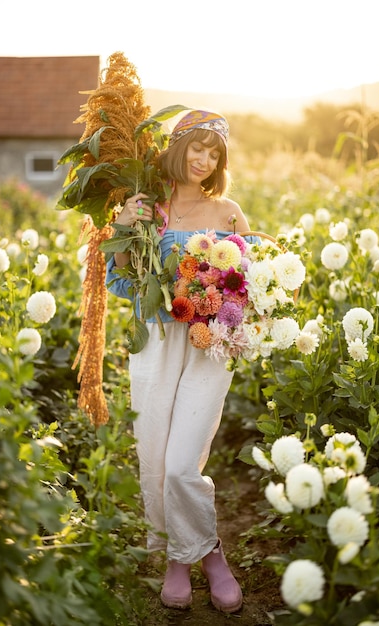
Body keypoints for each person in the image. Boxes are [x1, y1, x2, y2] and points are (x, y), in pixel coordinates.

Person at [106, 109, 253, 613]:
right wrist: (123, 229)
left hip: (208, 343)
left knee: (180, 463)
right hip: (154, 337)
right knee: (153, 456)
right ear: (178, 146)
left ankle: (209, 554)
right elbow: (122, 282)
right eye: (198, 148)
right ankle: (179, 555)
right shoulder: (147, 206)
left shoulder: (230, 212)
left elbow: (249, 288)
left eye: (215, 153)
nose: (204, 160)